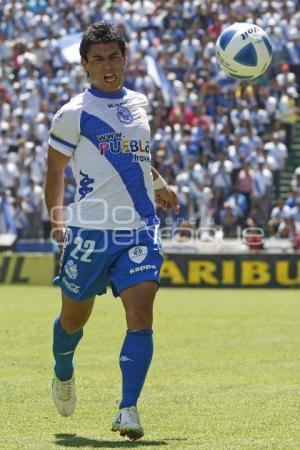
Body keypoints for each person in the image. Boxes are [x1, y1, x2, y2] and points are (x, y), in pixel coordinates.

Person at [44, 22, 179, 441]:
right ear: (85, 64)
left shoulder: (138, 103)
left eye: (114, 56)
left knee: (141, 314)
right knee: (72, 321)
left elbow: (135, 158)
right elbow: (55, 170)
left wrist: (158, 185)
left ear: (125, 59)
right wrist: (57, 222)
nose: (108, 65)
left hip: (138, 229)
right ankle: (63, 371)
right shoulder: (72, 114)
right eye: (98, 58)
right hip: (89, 231)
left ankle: (128, 409)